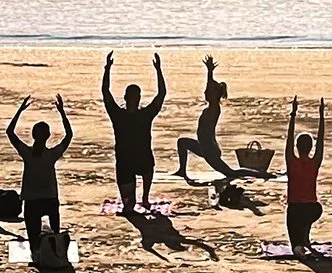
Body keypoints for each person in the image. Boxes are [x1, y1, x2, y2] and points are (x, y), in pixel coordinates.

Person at [100, 49, 168, 213]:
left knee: (148, 168)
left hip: (137, 159)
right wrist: (158, 70)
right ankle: (140, 198)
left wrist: (107, 69)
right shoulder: (124, 115)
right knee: (128, 206)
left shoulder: (138, 114)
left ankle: (144, 197)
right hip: (125, 162)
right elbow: (161, 94)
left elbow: (106, 92)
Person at [6, 95, 74, 258]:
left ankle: (36, 253)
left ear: (34, 135)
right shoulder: (51, 155)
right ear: (48, 136)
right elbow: (69, 136)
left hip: (32, 199)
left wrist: (20, 111)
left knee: (33, 236)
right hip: (50, 197)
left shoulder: (28, 154)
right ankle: (57, 253)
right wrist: (62, 113)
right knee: (55, 231)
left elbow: (10, 132)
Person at [174, 55, 233, 181]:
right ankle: (182, 170)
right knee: (182, 142)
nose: (205, 92)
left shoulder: (214, 108)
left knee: (231, 173)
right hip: (203, 146)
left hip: (210, 150)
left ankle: (262, 174)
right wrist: (209, 72)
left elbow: (211, 87)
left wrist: (210, 73)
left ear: (215, 94)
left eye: (208, 91)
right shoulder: (210, 107)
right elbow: (210, 87)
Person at [284, 97, 327, 254]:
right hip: (312, 209)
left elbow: (288, 141)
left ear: (297, 147)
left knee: (296, 244)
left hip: (295, 209)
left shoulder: (292, 162)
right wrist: (321, 116)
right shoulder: (314, 162)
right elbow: (321, 140)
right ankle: (304, 237)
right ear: (311, 147)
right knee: (304, 224)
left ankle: (300, 244)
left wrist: (293, 115)